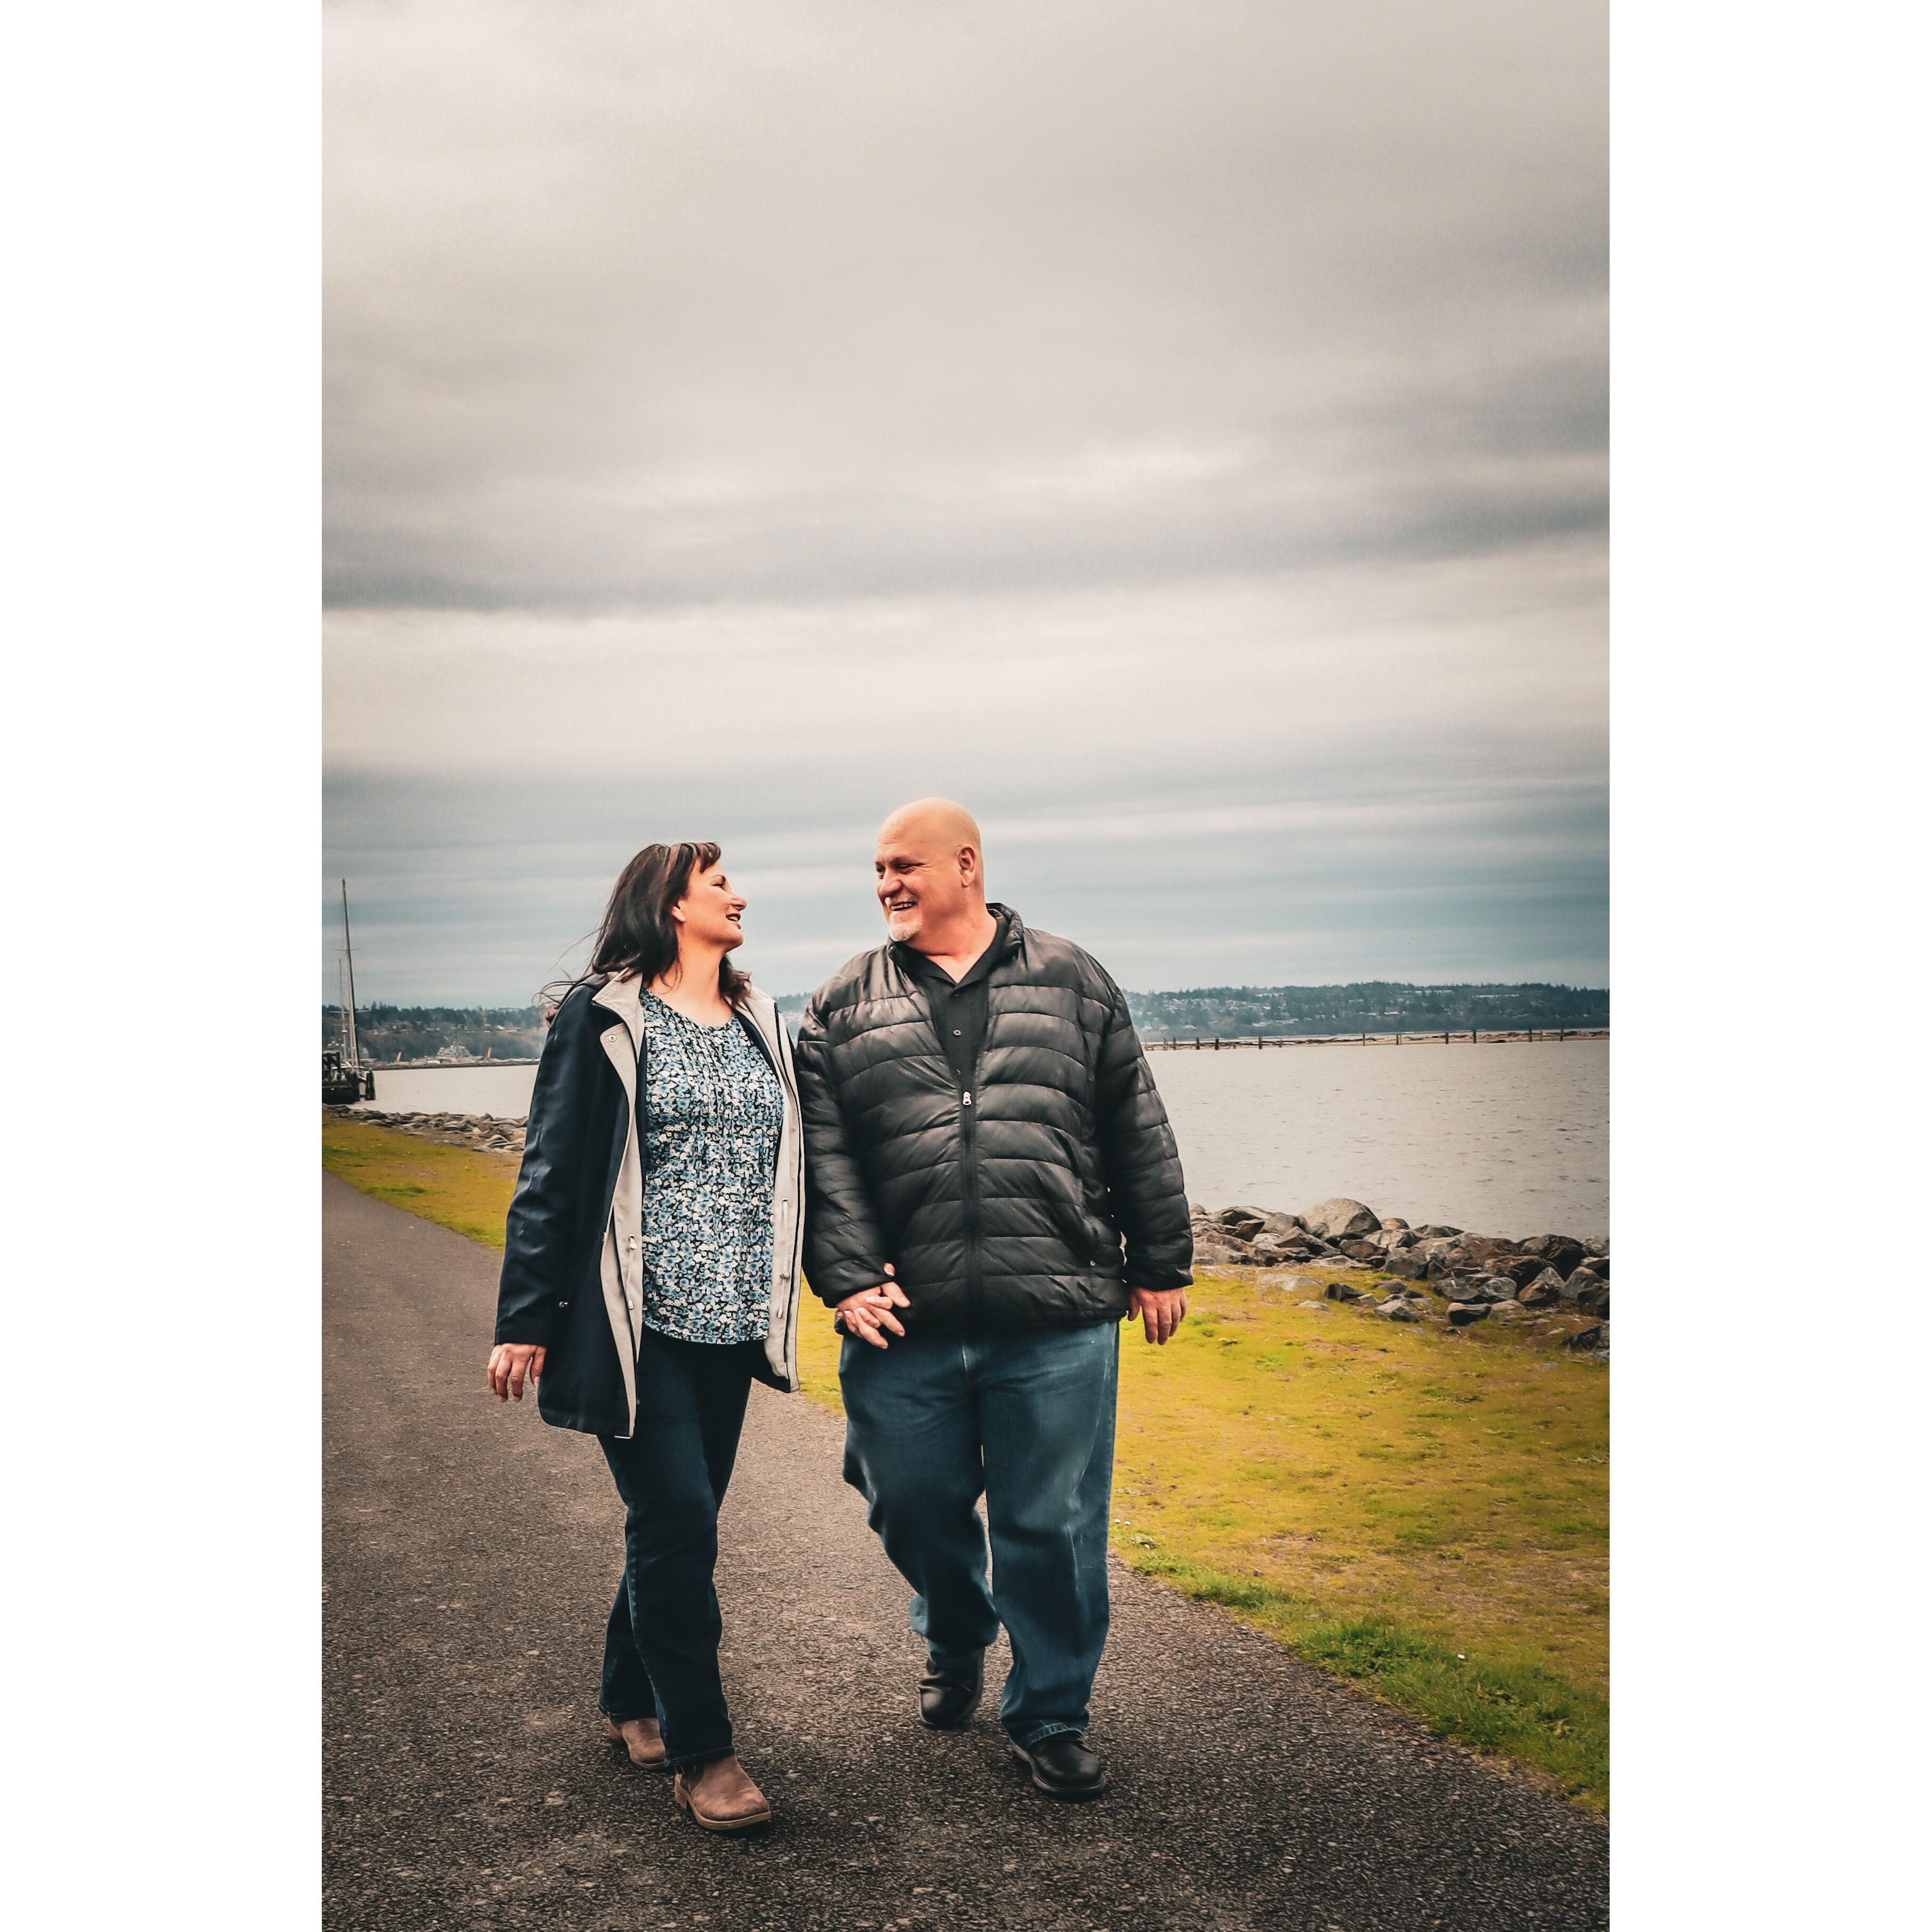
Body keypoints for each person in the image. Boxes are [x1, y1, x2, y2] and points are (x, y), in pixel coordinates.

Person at [794, 799, 1192, 1800]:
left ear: (966, 864)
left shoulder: (1070, 977)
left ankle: (1050, 1712)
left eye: (903, 865)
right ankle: (958, 1624)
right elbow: (826, 1159)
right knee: (906, 1499)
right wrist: (847, 1276)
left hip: (1057, 1311)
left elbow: (1133, 1120)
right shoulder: (841, 1001)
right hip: (904, 1318)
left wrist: (1159, 1259)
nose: (886, 883)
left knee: (1051, 1525)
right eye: (877, 868)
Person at [486, 842, 806, 1834]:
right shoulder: (604, 1017)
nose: (739, 895)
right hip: (638, 1321)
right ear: (671, 903)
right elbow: (551, 1170)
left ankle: (629, 1694)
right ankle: (704, 1752)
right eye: (719, 884)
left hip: (733, 1321)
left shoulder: (758, 1018)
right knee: (678, 1523)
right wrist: (525, 1318)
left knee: (680, 1524)